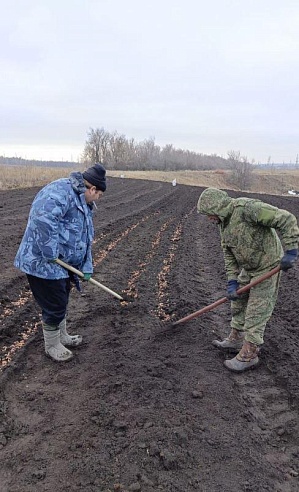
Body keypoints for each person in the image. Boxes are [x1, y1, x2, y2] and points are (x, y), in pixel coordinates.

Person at [197, 187, 299, 373]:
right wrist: (232, 281)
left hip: (268, 265)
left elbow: (286, 218)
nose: (209, 219)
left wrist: (291, 249)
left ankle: (250, 354)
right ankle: (235, 339)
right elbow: (229, 254)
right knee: (238, 303)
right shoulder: (223, 223)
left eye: (209, 214)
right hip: (250, 268)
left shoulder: (248, 209)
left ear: (217, 208)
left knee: (256, 311)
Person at [14, 163, 106, 362]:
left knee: (62, 299)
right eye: (99, 194)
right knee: (55, 305)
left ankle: (62, 335)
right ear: (92, 189)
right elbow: (42, 220)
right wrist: (50, 252)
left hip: (62, 265)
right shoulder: (59, 192)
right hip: (43, 262)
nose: (98, 198)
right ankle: (52, 345)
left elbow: (85, 237)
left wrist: (86, 266)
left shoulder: (84, 203)